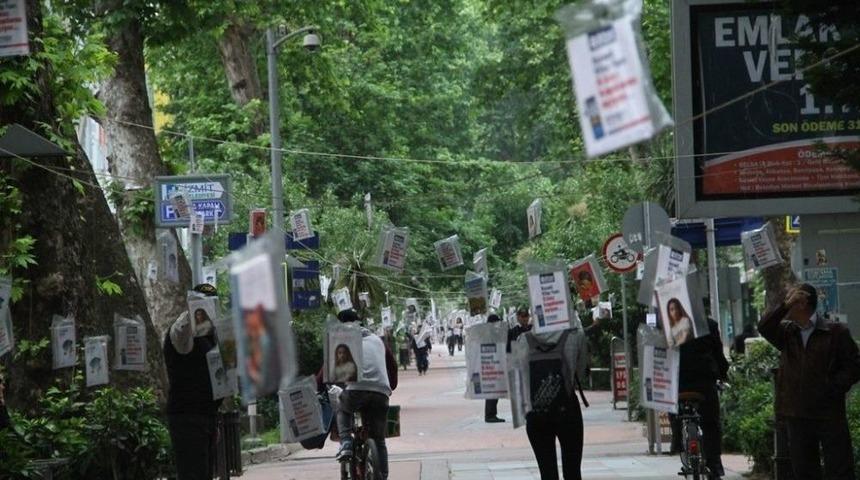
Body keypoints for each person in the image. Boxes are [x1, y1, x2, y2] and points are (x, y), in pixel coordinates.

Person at [758, 284, 860, 480]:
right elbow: (764, 326)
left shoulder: (835, 332)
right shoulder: (788, 333)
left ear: (802, 302)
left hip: (829, 413)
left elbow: (854, 367)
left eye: (791, 299)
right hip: (796, 413)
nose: (787, 304)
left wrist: (832, 388)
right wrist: (785, 305)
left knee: (840, 470)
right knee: (804, 471)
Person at [517, 313, 600, 480]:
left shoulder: (523, 340)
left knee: (547, 473)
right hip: (567, 410)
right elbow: (580, 372)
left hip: (536, 413)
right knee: (573, 471)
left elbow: (520, 377)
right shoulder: (576, 336)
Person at [164, 284, 222, 480]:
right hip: (187, 418)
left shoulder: (209, 336)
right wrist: (195, 307)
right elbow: (182, 330)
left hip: (206, 417)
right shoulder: (182, 333)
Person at [332, 309, 398, 480]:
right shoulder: (377, 340)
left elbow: (327, 369)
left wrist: (318, 387)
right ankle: (382, 476)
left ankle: (346, 442)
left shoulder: (342, 340)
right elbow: (392, 366)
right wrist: (389, 386)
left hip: (356, 390)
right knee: (379, 439)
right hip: (381, 392)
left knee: (342, 407)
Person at [669, 317, 729, 479]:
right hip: (704, 382)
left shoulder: (669, 326)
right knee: (711, 423)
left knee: (672, 406)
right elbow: (718, 355)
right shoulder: (709, 324)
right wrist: (723, 373)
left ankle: (676, 437)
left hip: (678, 382)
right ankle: (714, 465)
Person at [484, 314, 506, 423]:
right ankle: (490, 415)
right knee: (492, 391)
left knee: (494, 391)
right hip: (491, 365)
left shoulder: (488, 333)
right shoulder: (490, 334)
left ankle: (491, 414)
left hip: (492, 364)